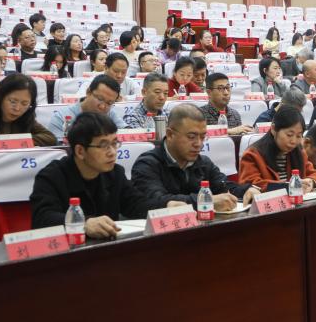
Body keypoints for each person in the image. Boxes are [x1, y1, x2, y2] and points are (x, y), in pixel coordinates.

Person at [30, 113, 158, 239]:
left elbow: (137, 204)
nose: (112, 152)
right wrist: (83, 224)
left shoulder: (115, 173)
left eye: (114, 143)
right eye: (103, 145)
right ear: (80, 151)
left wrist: (166, 205)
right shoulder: (51, 177)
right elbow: (42, 218)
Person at [131, 103, 256, 212]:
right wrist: (206, 201)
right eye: (191, 137)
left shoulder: (203, 162)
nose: (199, 144)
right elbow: (158, 201)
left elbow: (224, 187)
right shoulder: (147, 164)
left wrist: (247, 191)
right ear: (170, 134)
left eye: (203, 137)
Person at [238, 106, 316, 191]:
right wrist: (289, 186)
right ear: (273, 129)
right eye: (289, 135)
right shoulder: (252, 155)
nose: (293, 141)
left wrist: (311, 182)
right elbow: (251, 185)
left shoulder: (299, 152)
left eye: (298, 136)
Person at [47, 75, 126, 141]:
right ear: (88, 92)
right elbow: (59, 149)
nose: (103, 106)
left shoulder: (110, 114)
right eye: (100, 99)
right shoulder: (61, 118)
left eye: (109, 103)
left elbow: (127, 132)